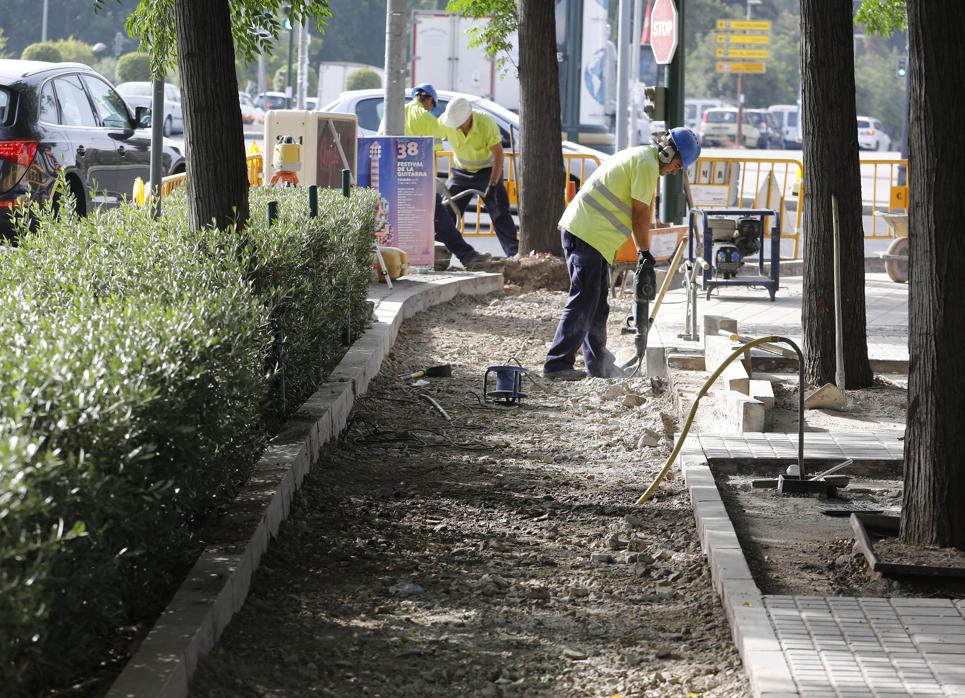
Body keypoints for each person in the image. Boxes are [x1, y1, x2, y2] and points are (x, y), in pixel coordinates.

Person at [543, 127, 701, 381]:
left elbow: (639, 211)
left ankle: (598, 365)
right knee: (584, 299)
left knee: (597, 304)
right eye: (678, 165)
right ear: (669, 152)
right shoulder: (647, 164)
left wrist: (643, 251)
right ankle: (556, 363)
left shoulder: (643, 158)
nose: (675, 171)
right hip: (587, 235)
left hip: (591, 236)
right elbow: (640, 213)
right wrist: (645, 252)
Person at [391, 85, 493, 270]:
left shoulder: (394, 113)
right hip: (414, 176)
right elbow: (432, 153)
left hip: (389, 174)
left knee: (405, 220)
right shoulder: (426, 119)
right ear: (429, 100)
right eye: (432, 105)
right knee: (438, 214)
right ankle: (465, 257)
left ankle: (444, 257)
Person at [438, 97, 518, 257]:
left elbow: (498, 154)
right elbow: (428, 134)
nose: (457, 128)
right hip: (461, 171)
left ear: (468, 117)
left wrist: (493, 184)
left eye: (460, 124)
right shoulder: (445, 121)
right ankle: (440, 253)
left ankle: (514, 254)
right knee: (445, 211)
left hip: (487, 171)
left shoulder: (485, 122)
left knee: (499, 210)